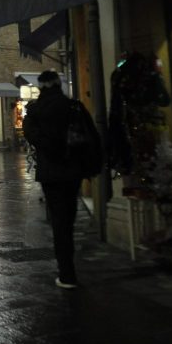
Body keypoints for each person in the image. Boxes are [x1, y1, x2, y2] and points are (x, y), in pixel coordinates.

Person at [23, 69, 99, 290]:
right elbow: (90, 135)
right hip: (72, 171)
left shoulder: (35, 111)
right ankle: (68, 267)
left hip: (50, 172)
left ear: (40, 87)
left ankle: (66, 273)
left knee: (58, 221)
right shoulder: (73, 107)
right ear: (58, 84)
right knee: (69, 216)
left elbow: (31, 135)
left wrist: (49, 147)